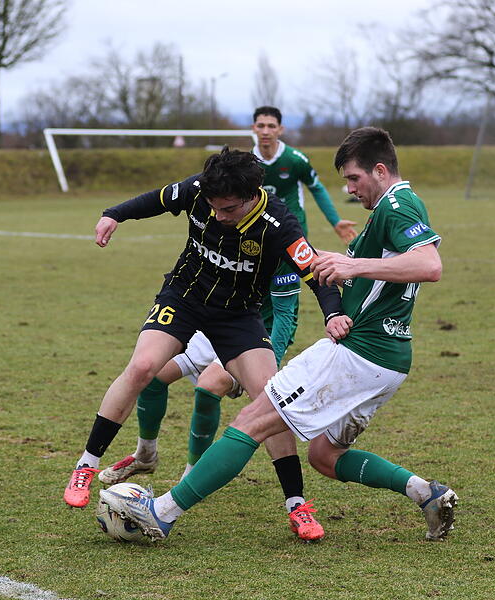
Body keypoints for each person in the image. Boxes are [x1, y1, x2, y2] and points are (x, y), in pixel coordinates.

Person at [100, 127, 458, 543]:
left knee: (251, 420)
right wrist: (343, 262)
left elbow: (430, 265)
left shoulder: (396, 205)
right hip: (391, 360)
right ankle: (425, 493)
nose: (349, 188)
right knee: (325, 456)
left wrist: (352, 267)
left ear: (380, 170)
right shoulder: (395, 209)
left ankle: (160, 513)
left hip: (357, 352)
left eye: (354, 178)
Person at [64, 149, 344, 529]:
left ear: (250, 196)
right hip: (185, 297)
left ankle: (296, 505)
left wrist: (333, 314)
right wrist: (115, 213)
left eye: (227, 209)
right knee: (144, 366)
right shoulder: (200, 190)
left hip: (238, 316)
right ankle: (86, 465)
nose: (218, 215)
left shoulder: (279, 224)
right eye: (213, 207)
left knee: (271, 400)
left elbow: (313, 271)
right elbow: (157, 200)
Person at [97, 266, 324, 540]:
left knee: (248, 396)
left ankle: (295, 504)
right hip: (213, 324)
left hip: (258, 334)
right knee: (153, 375)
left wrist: (267, 366)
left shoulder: (275, 234)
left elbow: (285, 315)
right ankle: (145, 455)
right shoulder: (217, 227)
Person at [252, 106, 357, 244]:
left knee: (297, 266)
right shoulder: (248, 163)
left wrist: (335, 221)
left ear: (280, 129)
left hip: (293, 225)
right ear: (254, 128)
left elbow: (317, 188)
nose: (265, 131)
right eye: (261, 126)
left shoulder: (295, 160)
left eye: (271, 126)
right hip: (260, 226)